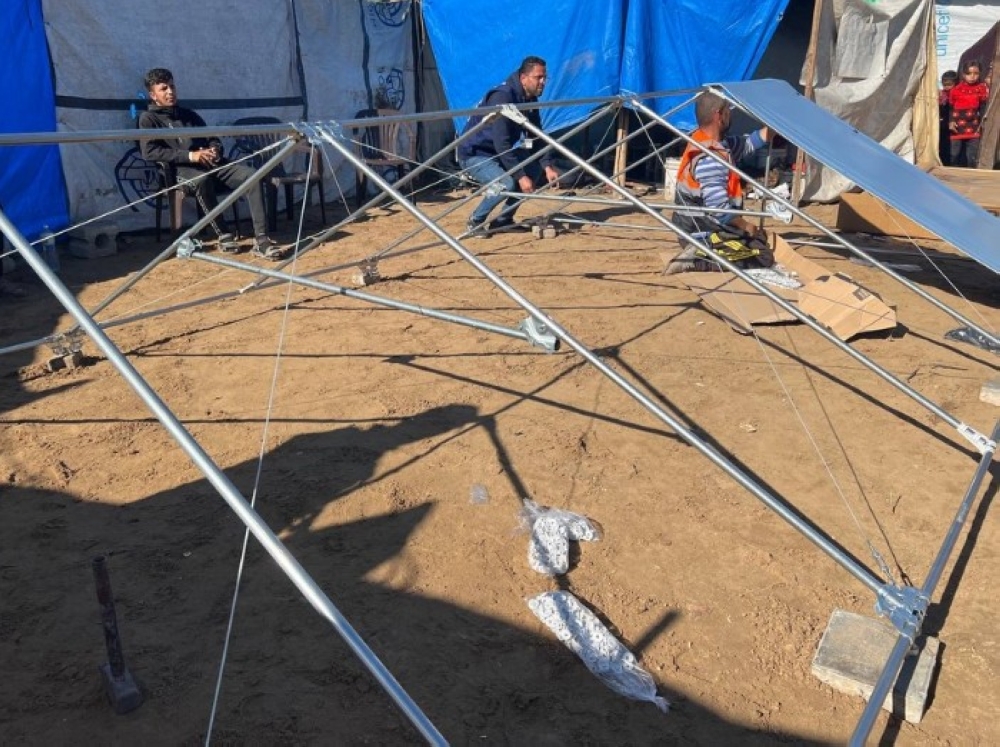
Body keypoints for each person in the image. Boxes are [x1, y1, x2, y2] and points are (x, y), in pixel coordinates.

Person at [138, 68, 288, 260]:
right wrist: (191, 156)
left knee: (252, 175)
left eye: (173, 86)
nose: (170, 92)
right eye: (164, 88)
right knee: (202, 181)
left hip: (212, 164)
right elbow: (149, 152)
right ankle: (223, 233)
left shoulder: (189, 115)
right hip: (181, 170)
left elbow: (212, 138)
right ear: (153, 95)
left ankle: (262, 238)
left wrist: (214, 150)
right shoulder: (148, 119)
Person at [664, 91, 773, 274]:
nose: (730, 115)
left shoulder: (712, 142)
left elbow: (749, 143)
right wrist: (746, 226)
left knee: (758, 239)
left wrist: (775, 128)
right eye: (727, 111)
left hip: (698, 224)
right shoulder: (711, 158)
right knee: (762, 256)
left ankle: (702, 251)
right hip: (703, 230)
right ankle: (697, 260)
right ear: (719, 116)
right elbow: (719, 210)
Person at [457, 56, 561, 235]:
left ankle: (503, 220)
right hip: (475, 153)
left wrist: (547, 165)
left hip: (498, 152)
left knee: (534, 169)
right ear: (523, 78)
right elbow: (502, 142)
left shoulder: (530, 99)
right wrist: (520, 176)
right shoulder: (502, 97)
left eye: (545, 78)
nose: (543, 82)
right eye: (539, 78)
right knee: (506, 184)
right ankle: (476, 221)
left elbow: (536, 135)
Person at [948, 59, 990, 169]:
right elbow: (951, 107)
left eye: (976, 73)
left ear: (980, 73)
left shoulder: (981, 89)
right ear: (963, 74)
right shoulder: (956, 90)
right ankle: (954, 176)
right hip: (957, 127)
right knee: (954, 154)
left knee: (972, 155)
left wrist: (982, 123)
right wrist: (951, 121)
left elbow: (983, 107)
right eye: (969, 73)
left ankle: (970, 177)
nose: (972, 76)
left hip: (974, 126)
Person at [938, 70, 957, 166]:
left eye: (949, 84)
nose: (946, 87)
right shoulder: (942, 95)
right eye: (944, 84)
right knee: (943, 147)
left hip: (954, 125)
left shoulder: (957, 94)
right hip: (943, 125)